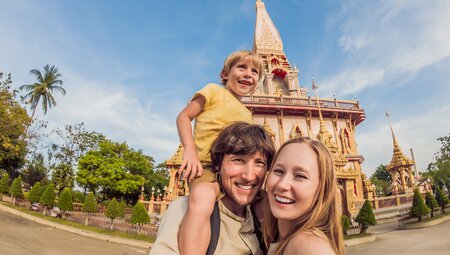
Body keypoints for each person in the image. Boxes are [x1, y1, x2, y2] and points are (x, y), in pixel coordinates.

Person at [176, 50, 264, 255]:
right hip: (206, 167)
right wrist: (190, 150)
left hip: (235, 173)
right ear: (225, 74)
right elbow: (183, 117)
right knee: (203, 197)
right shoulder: (213, 91)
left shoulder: (247, 115)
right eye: (241, 67)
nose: (248, 74)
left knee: (266, 203)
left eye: (254, 71)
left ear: (257, 81)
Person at [150, 122, 276, 255]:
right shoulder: (185, 209)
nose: (249, 176)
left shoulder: (262, 217)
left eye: (260, 163)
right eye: (238, 160)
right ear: (217, 164)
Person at [263, 137, 344, 255]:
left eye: (300, 176)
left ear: (321, 190)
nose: (282, 184)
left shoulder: (307, 245)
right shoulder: (281, 238)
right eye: (279, 171)